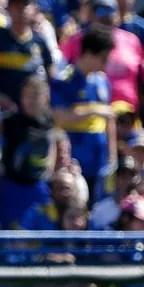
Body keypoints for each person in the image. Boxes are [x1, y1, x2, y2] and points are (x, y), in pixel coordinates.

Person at [51, 28, 117, 191]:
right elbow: (59, 116)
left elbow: (109, 119)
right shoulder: (65, 80)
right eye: (103, 58)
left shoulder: (102, 81)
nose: (106, 63)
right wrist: (94, 110)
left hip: (99, 160)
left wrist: (112, 157)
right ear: (88, 53)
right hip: (75, 158)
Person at [0, 75, 54, 229]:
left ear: (45, 97)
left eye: (35, 95)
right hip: (13, 186)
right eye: (26, 96)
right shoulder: (10, 121)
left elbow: (55, 141)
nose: (30, 101)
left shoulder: (49, 121)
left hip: (38, 185)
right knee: (13, 231)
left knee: (42, 229)